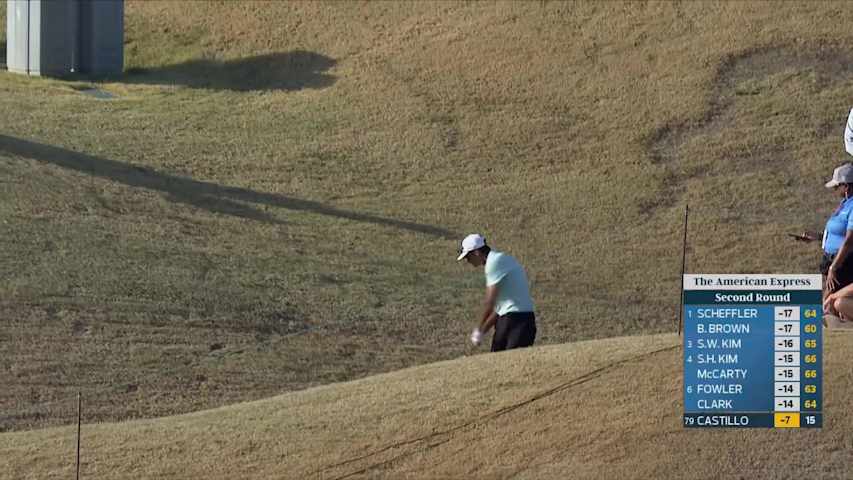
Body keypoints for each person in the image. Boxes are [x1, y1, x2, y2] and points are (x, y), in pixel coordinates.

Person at [456, 233, 537, 351]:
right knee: (497, 357)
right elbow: (499, 308)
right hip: (517, 319)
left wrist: (478, 328)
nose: (468, 261)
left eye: (468, 257)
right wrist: (483, 331)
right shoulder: (500, 259)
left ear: (477, 252)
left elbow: (489, 303)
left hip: (516, 321)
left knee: (509, 360)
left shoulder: (494, 263)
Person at [798, 163, 853, 327]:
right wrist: (819, 237)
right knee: (829, 303)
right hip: (833, 260)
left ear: (846, 186)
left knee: (828, 303)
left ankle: (833, 327)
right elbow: (838, 234)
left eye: (837, 186)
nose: (835, 190)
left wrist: (833, 267)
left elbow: (849, 240)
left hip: (843, 262)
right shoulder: (845, 203)